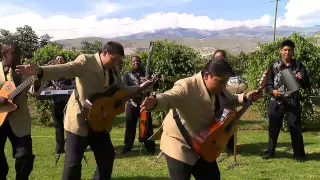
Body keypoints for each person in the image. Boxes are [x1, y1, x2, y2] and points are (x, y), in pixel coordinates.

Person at [15, 41, 153, 180]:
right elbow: (65, 69)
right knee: (72, 166)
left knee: (107, 158)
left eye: (119, 60)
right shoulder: (86, 61)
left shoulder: (114, 68)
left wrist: (140, 87)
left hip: (100, 122)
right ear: (105, 52)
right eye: (114, 58)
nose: (117, 62)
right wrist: (39, 70)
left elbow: (120, 91)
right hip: (79, 121)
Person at [140, 60, 260, 180]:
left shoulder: (219, 87)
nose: (224, 86)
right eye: (221, 82)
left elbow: (229, 99)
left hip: (204, 143)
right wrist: (154, 102)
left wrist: (244, 97)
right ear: (207, 75)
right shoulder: (186, 85)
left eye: (226, 82)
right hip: (179, 143)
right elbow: (169, 97)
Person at [262, 39, 310, 162]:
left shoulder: (299, 66)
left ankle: (299, 154)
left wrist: (301, 78)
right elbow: (268, 84)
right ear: (280, 51)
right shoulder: (273, 66)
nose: (287, 52)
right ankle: (270, 152)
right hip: (276, 101)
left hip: (293, 102)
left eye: (289, 50)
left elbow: (306, 84)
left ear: (293, 51)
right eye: (285, 50)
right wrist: (272, 91)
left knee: (295, 128)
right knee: (273, 128)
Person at [0, 43, 42, 180]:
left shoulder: (25, 72)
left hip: (20, 120)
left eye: (20, 53)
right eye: (14, 53)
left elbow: (35, 93)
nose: (19, 57)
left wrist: (37, 81)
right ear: (4, 54)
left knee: (26, 156)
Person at [121, 55, 156, 154]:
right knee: (130, 126)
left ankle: (150, 147)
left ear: (141, 62)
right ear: (131, 63)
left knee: (147, 125)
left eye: (138, 61)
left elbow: (152, 87)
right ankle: (127, 147)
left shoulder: (147, 74)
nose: (136, 63)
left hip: (145, 104)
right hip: (132, 104)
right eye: (134, 61)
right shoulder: (127, 75)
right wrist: (138, 90)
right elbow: (126, 89)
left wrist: (150, 82)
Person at [42, 55, 75, 155]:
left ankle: (72, 147)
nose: (59, 60)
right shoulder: (51, 77)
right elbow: (44, 87)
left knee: (70, 125)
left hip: (69, 102)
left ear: (64, 62)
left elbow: (75, 85)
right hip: (56, 102)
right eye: (57, 59)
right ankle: (59, 148)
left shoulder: (70, 74)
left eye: (61, 59)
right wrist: (49, 88)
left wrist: (62, 87)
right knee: (57, 125)